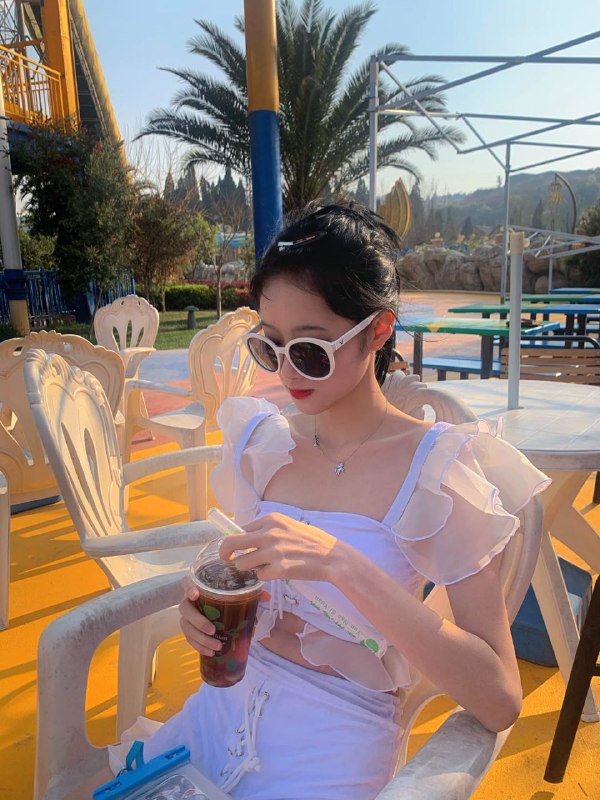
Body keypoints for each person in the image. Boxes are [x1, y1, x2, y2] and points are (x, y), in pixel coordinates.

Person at [114, 203, 550, 799]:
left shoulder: (437, 471)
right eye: (271, 347)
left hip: (335, 739)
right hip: (219, 711)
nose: (289, 372)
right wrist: (202, 617)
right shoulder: (263, 445)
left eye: (311, 350)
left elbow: (499, 699)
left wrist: (344, 566)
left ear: (378, 330)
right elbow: (248, 581)